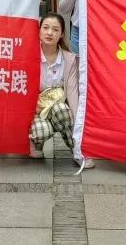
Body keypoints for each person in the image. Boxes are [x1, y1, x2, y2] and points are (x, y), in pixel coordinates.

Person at [30, 12, 94, 169]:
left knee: (62, 111)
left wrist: (79, 127)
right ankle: (36, 142)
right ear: (39, 30)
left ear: (62, 34)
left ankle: (77, 150)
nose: (49, 33)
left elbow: (72, 94)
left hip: (58, 109)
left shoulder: (69, 59)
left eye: (55, 29)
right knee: (41, 131)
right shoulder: (29, 54)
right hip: (35, 110)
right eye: (45, 27)